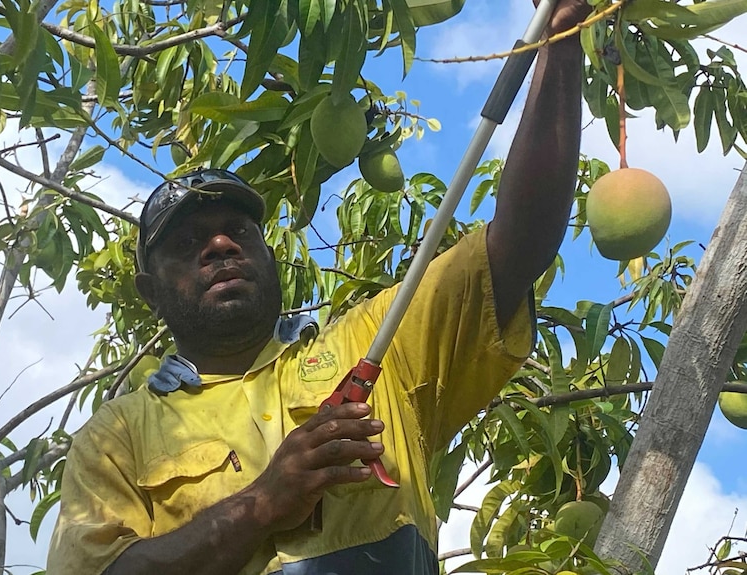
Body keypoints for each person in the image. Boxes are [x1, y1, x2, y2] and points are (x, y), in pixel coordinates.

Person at [46, 1, 591, 573]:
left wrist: (560, 45)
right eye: (188, 245)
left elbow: (519, 244)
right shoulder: (119, 435)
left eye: (238, 232)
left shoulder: (374, 344)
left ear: (268, 255)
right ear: (150, 292)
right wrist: (263, 504)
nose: (221, 247)